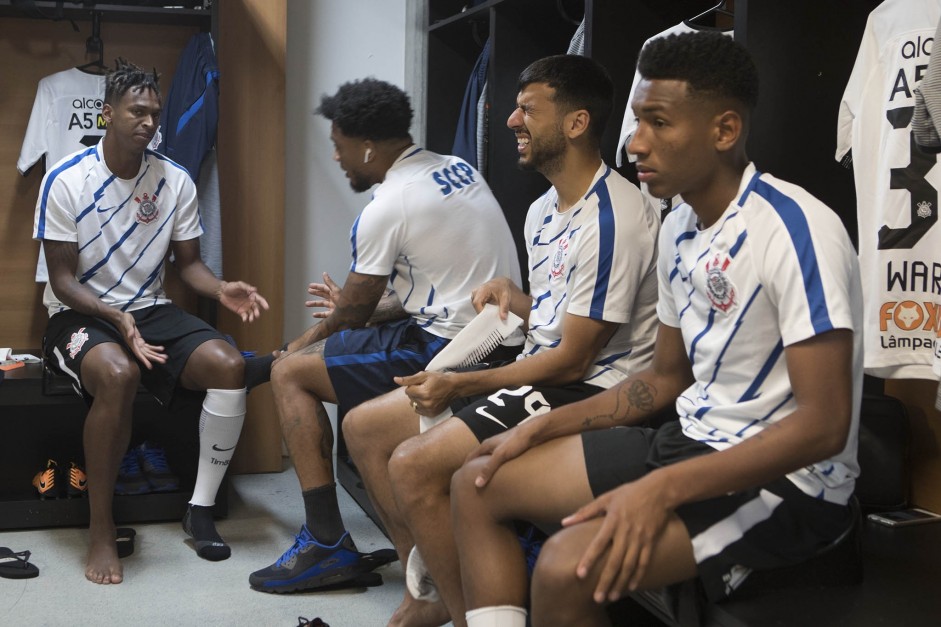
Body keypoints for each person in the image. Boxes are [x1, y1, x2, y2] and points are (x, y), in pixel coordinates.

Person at [449, 31, 865, 627]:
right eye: (636, 120)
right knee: (478, 481)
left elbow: (824, 427)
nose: (635, 143)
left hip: (792, 483)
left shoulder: (796, 230)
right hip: (691, 440)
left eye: (658, 123)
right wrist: (541, 427)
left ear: (724, 131)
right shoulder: (678, 228)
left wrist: (663, 490)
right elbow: (666, 377)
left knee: (568, 565)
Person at [341, 54, 660, 626]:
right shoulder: (541, 210)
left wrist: (459, 382)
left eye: (527, 109)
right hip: (547, 368)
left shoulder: (615, 216)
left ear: (576, 123)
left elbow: (575, 358)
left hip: (590, 388)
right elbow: (566, 317)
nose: (510, 119)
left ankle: (463, 614)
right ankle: (432, 592)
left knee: (414, 465)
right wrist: (519, 300)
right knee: (363, 427)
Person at [247, 78, 521, 593]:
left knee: (290, 375)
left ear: (368, 146)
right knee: (317, 358)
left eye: (339, 145)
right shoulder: (456, 169)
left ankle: (325, 544)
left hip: (450, 350)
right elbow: (431, 290)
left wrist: (287, 351)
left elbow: (351, 315)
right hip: (496, 331)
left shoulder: (386, 206)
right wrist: (358, 312)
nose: (337, 157)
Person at [33, 59, 269, 585]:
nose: (147, 122)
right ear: (107, 112)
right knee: (120, 375)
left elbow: (189, 266)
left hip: (150, 309)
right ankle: (100, 528)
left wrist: (220, 287)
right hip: (76, 314)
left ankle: (200, 508)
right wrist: (115, 316)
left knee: (229, 365)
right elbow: (63, 279)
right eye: (136, 111)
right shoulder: (66, 180)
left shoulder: (174, 180)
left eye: (153, 113)